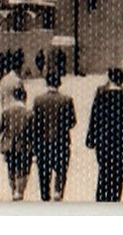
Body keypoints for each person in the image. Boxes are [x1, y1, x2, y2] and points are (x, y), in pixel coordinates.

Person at [85, 67, 123, 201]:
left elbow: (94, 119)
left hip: (103, 143)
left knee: (104, 172)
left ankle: (101, 200)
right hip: (121, 144)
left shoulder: (101, 97)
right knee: (118, 176)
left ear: (110, 79)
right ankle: (114, 202)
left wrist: (91, 138)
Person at [30, 71, 77, 202]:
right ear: (59, 84)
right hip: (61, 141)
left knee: (44, 172)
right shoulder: (67, 100)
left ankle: (45, 195)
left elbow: (35, 123)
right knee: (61, 169)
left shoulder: (38, 100)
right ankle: (58, 191)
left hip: (43, 142)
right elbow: (72, 122)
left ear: (46, 83)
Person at [0, 84, 35, 200]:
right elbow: (34, 133)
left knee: (11, 169)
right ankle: (20, 192)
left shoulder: (7, 112)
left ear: (14, 98)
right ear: (25, 98)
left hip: (9, 146)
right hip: (24, 146)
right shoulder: (30, 113)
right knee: (23, 170)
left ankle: (13, 190)